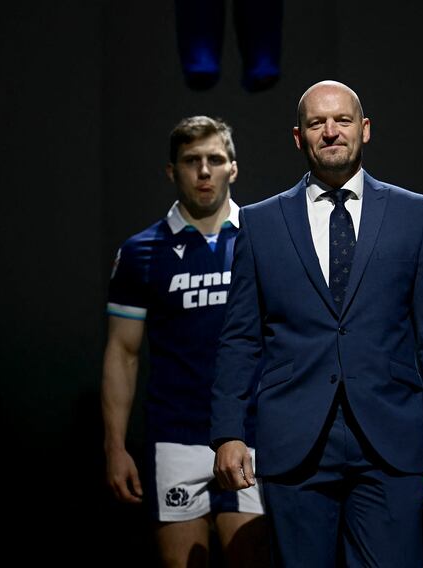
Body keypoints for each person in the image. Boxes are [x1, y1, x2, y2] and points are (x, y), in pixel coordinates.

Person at [211, 81, 423, 566]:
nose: (331, 132)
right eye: (316, 123)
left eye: (343, 120)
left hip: (391, 437)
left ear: (365, 130)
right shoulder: (261, 223)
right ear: (298, 137)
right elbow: (240, 337)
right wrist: (228, 432)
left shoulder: (414, 214)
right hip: (294, 438)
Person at [102, 116, 267, 568]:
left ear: (233, 168)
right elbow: (123, 353)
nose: (204, 171)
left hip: (250, 433)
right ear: (171, 170)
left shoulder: (265, 238)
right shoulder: (141, 252)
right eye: (192, 161)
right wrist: (116, 448)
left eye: (215, 159)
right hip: (174, 438)